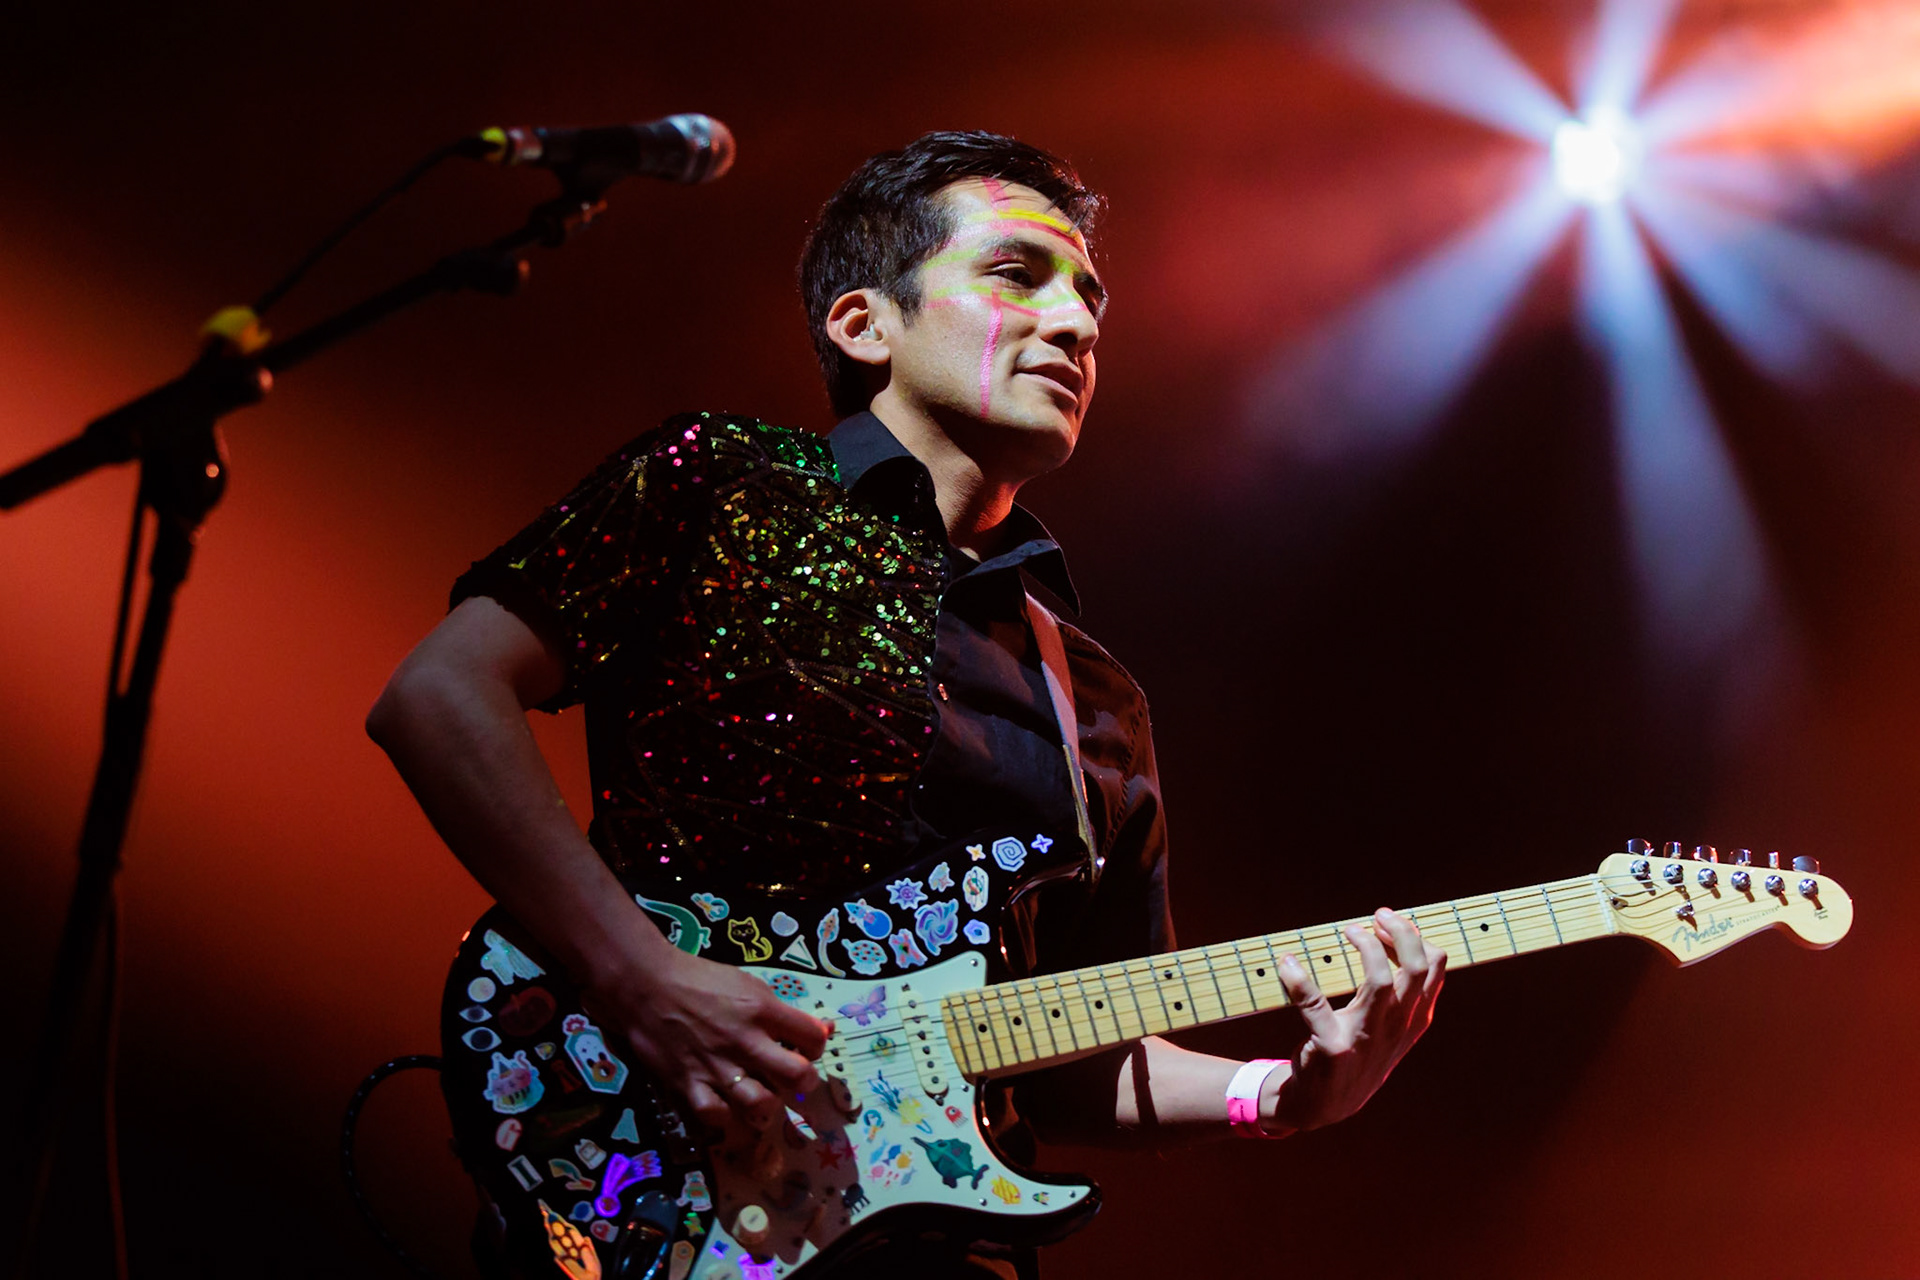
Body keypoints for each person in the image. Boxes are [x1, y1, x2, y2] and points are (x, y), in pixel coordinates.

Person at [367, 130, 1445, 1278]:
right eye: (1018, 276)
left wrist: (1281, 1092)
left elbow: (1082, 1053)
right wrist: (640, 975)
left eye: (1090, 296)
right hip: (651, 1171)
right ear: (864, 323)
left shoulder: (1096, 699)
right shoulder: (724, 484)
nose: (1078, 323)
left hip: (933, 1245)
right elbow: (439, 693)